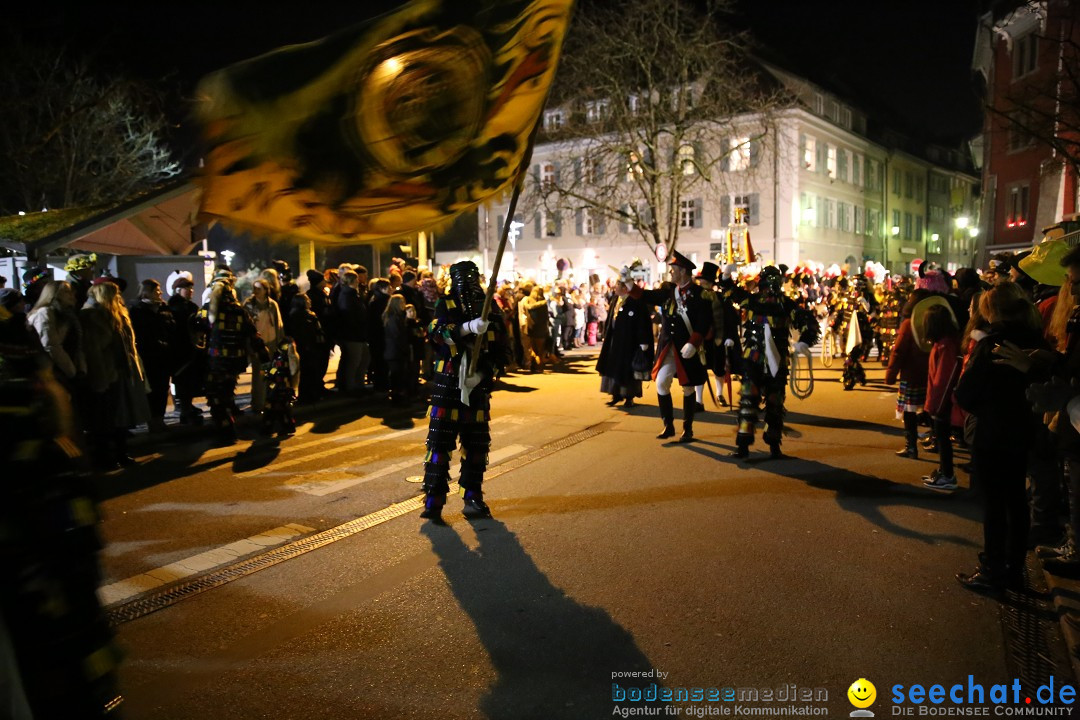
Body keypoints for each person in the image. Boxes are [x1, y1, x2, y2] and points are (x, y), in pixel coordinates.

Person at [954, 284, 1048, 593]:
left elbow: (966, 393)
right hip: (1023, 430)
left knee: (995, 505)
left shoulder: (991, 342)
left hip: (992, 432)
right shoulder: (1036, 337)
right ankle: (1014, 569)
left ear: (989, 309)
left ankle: (992, 568)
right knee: (1016, 501)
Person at [419, 261, 509, 522]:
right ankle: (433, 501)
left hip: (477, 387)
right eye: (462, 279)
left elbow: (504, 349)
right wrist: (466, 328)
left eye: (471, 279)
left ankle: (472, 497)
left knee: (477, 445)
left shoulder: (490, 306)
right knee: (439, 445)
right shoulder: (445, 304)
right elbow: (435, 332)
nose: (467, 285)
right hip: (447, 384)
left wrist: (484, 373)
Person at [724, 265, 818, 458]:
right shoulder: (752, 301)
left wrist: (804, 342)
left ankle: (773, 446)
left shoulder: (786, 305)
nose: (771, 289)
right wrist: (725, 277)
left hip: (777, 361)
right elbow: (731, 292)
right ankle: (744, 446)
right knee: (749, 401)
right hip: (753, 358)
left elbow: (809, 323)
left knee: (774, 403)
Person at [628, 251, 712, 443]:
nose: (671, 273)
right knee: (661, 383)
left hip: (687, 349)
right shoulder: (668, 293)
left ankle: (688, 429)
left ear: (683, 271)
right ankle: (668, 425)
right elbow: (645, 295)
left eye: (673, 269)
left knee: (689, 388)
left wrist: (694, 342)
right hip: (669, 347)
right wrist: (628, 283)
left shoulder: (700, 295)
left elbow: (703, 322)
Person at [80, 278, 149, 469]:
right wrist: (101, 377)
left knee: (120, 416)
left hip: (120, 371)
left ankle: (121, 453)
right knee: (105, 418)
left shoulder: (117, 313)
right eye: (115, 293)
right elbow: (94, 351)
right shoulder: (92, 315)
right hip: (105, 373)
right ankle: (106, 457)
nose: (119, 296)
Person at [205, 277, 267, 444]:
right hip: (235, 361)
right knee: (227, 392)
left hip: (217, 361)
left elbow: (197, 326)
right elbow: (253, 334)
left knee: (217, 396)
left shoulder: (211, 310)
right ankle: (228, 427)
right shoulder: (239, 311)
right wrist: (263, 352)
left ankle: (224, 429)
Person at [885, 289, 932, 459]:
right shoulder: (933, 321)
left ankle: (911, 446)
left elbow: (898, 351)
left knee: (910, 412)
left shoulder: (909, 323)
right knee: (930, 409)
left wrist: (890, 374)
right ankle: (936, 441)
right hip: (929, 374)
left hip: (911, 375)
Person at [596, 265, 652, 408]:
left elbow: (642, 322)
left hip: (629, 341)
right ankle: (615, 394)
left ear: (625, 288)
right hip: (615, 340)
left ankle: (629, 397)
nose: (615, 287)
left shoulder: (635, 301)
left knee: (628, 370)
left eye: (618, 285)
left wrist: (643, 341)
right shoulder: (616, 300)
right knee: (613, 367)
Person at [920, 304, 962, 492]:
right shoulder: (943, 343)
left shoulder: (946, 346)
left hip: (943, 403)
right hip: (940, 401)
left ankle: (948, 475)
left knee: (943, 440)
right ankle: (943, 471)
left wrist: (933, 406)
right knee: (941, 438)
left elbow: (943, 380)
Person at [128, 279, 176, 432]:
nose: (160, 293)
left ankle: (160, 419)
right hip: (148, 356)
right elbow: (139, 334)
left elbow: (171, 328)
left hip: (164, 356)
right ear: (146, 292)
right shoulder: (137, 310)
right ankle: (151, 421)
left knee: (163, 388)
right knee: (151, 390)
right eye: (156, 291)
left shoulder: (163, 308)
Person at [26, 281, 85, 396]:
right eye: (66, 292)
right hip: (53, 371)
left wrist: (81, 369)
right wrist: (71, 371)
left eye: (72, 292)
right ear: (55, 295)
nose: (72, 295)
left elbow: (77, 343)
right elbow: (51, 345)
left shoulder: (67, 314)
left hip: (66, 368)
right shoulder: (45, 313)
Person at [167, 274, 207, 425]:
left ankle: (188, 406)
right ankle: (185, 410)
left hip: (192, 349)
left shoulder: (191, 306)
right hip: (181, 350)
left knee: (191, 381)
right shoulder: (174, 307)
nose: (191, 291)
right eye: (187, 288)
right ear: (178, 290)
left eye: (191, 288)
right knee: (183, 381)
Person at [243, 279, 284, 416]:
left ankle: (269, 400)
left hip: (271, 343)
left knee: (271, 373)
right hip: (258, 346)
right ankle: (258, 404)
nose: (256, 291)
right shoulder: (249, 305)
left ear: (266, 290)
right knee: (259, 375)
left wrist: (280, 342)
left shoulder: (272, 305)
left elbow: (279, 324)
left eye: (259, 289)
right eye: (255, 288)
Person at [288, 293, 327, 405]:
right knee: (308, 372)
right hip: (308, 347)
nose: (309, 301)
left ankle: (309, 395)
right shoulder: (303, 316)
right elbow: (305, 333)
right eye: (307, 299)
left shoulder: (299, 315)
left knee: (308, 372)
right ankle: (308, 396)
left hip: (308, 346)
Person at [335, 270, 370, 393]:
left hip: (358, 334)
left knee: (363, 359)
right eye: (356, 279)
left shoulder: (353, 294)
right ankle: (350, 386)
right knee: (353, 362)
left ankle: (358, 384)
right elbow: (349, 315)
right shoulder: (347, 295)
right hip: (353, 334)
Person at [382, 293, 410, 404]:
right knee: (397, 375)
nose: (404, 304)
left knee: (399, 375)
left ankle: (398, 396)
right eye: (402, 302)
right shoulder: (393, 318)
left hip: (396, 350)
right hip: (394, 350)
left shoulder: (397, 316)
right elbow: (397, 334)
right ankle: (396, 397)